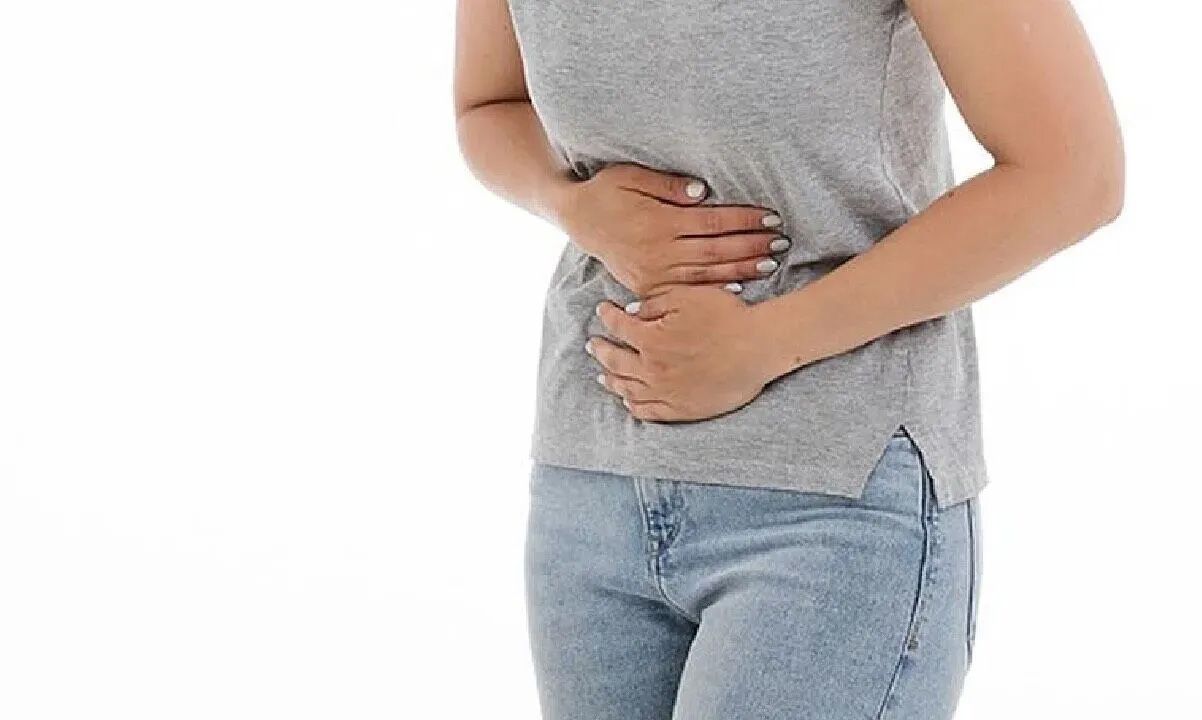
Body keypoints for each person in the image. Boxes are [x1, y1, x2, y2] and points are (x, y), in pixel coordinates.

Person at [454, 0, 1123, 717]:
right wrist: (569, 203)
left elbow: (1074, 172)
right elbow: (487, 105)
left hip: (834, 495)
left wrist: (766, 342)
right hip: (592, 484)